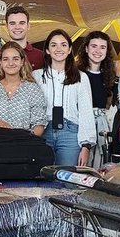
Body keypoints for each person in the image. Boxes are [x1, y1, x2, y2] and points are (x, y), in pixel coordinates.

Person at [34, 30, 96, 166]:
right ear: (47, 50)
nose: (58, 49)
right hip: (43, 130)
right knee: (42, 178)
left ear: (69, 50)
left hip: (70, 133)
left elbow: (86, 111)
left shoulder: (80, 77)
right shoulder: (36, 76)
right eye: (53, 45)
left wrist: (86, 146)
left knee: (67, 179)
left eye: (63, 45)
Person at [0, 42, 47, 135]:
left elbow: (39, 123)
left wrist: (28, 140)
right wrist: (0, 125)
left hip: (23, 144)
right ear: (0, 62)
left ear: (22, 61)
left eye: (15, 59)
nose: (10, 63)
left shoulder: (32, 89)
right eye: (6, 59)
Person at [76, 31, 117, 167]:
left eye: (102, 47)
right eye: (94, 46)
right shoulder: (75, 75)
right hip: (80, 125)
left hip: (101, 126)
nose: (98, 51)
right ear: (86, 49)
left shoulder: (109, 76)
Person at [0, 5, 44, 72]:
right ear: (7, 26)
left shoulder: (40, 56)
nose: (17, 27)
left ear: (28, 26)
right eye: (12, 23)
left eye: (21, 23)